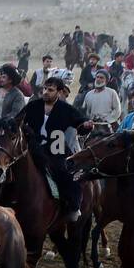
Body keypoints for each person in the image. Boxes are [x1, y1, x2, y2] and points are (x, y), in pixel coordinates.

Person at [20, 70, 92, 221]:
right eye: (45, 89)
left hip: (56, 149)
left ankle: (73, 207)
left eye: (50, 90)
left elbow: (81, 123)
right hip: (33, 147)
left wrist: (86, 125)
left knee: (66, 174)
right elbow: (17, 120)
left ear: (59, 92)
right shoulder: (33, 106)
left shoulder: (66, 109)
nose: (46, 92)